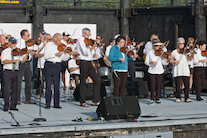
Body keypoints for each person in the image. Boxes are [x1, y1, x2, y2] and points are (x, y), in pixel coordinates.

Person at [44, 33, 70, 109]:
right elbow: (46, 56)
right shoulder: (49, 45)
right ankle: (47, 104)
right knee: (48, 85)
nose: (60, 41)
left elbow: (64, 58)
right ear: (54, 39)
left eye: (60, 40)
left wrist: (69, 54)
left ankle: (56, 103)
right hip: (49, 64)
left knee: (57, 85)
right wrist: (55, 54)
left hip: (57, 65)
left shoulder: (62, 46)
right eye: (58, 40)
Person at [76, 28, 100, 107]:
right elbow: (85, 52)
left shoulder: (89, 42)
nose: (89, 36)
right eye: (87, 34)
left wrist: (95, 48)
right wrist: (93, 46)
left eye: (89, 34)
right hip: (83, 62)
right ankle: (82, 101)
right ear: (83, 34)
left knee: (97, 80)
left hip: (89, 62)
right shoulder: (80, 40)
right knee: (83, 81)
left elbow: (91, 53)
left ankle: (95, 100)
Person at [145, 39, 168, 105]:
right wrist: (151, 62)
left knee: (158, 85)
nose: (158, 47)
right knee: (152, 85)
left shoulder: (161, 52)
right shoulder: (150, 52)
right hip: (152, 71)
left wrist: (167, 60)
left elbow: (164, 62)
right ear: (154, 46)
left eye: (159, 46)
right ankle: (152, 99)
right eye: (157, 46)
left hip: (160, 70)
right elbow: (146, 61)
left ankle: (158, 99)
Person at [1, 37, 22, 111]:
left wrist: (27, 53)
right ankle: (6, 105)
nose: (14, 44)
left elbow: (23, 59)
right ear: (9, 43)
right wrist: (13, 60)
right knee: (7, 89)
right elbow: (4, 61)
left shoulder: (17, 51)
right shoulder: (5, 51)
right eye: (13, 43)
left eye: (15, 43)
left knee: (15, 89)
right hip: (7, 71)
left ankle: (13, 105)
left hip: (15, 71)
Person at [169, 37, 192, 103]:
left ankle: (186, 97)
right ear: (177, 44)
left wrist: (190, 54)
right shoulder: (174, 52)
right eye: (180, 43)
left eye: (182, 43)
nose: (181, 45)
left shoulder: (186, 51)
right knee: (177, 84)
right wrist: (174, 62)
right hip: (177, 69)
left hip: (185, 69)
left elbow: (189, 59)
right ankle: (178, 97)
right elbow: (170, 60)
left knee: (186, 85)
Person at [16, 29, 36, 105]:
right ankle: (17, 99)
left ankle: (28, 99)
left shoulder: (29, 43)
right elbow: (19, 52)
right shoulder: (19, 42)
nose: (29, 37)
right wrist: (26, 51)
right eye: (27, 35)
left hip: (28, 62)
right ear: (23, 36)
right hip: (22, 62)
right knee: (19, 81)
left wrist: (33, 51)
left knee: (28, 81)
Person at [34, 32, 50, 99]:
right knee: (40, 79)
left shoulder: (50, 44)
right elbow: (36, 54)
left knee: (48, 80)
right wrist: (43, 46)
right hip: (40, 64)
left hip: (48, 64)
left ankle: (48, 93)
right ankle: (38, 93)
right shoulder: (38, 44)